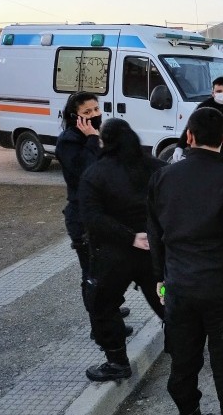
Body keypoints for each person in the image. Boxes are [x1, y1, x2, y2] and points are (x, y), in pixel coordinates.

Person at [148, 107, 223, 415]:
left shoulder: (162, 178)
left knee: (183, 367)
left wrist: (162, 278)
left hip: (180, 293)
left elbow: (155, 235)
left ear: (188, 136)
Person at [78, 119, 166, 381]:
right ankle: (184, 342)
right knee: (164, 296)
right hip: (154, 255)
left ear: (104, 141)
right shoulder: (155, 167)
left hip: (112, 259)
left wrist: (129, 237)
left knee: (104, 306)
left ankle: (117, 362)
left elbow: (92, 218)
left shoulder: (95, 174)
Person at [56, 92, 130, 327]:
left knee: (110, 270)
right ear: (74, 117)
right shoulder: (69, 141)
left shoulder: (98, 136)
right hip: (83, 218)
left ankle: (110, 309)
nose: (95, 115)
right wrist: (91, 138)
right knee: (93, 274)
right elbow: (89, 170)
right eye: (87, 112)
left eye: (96, 109)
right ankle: (100, 323)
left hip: (105, 213)